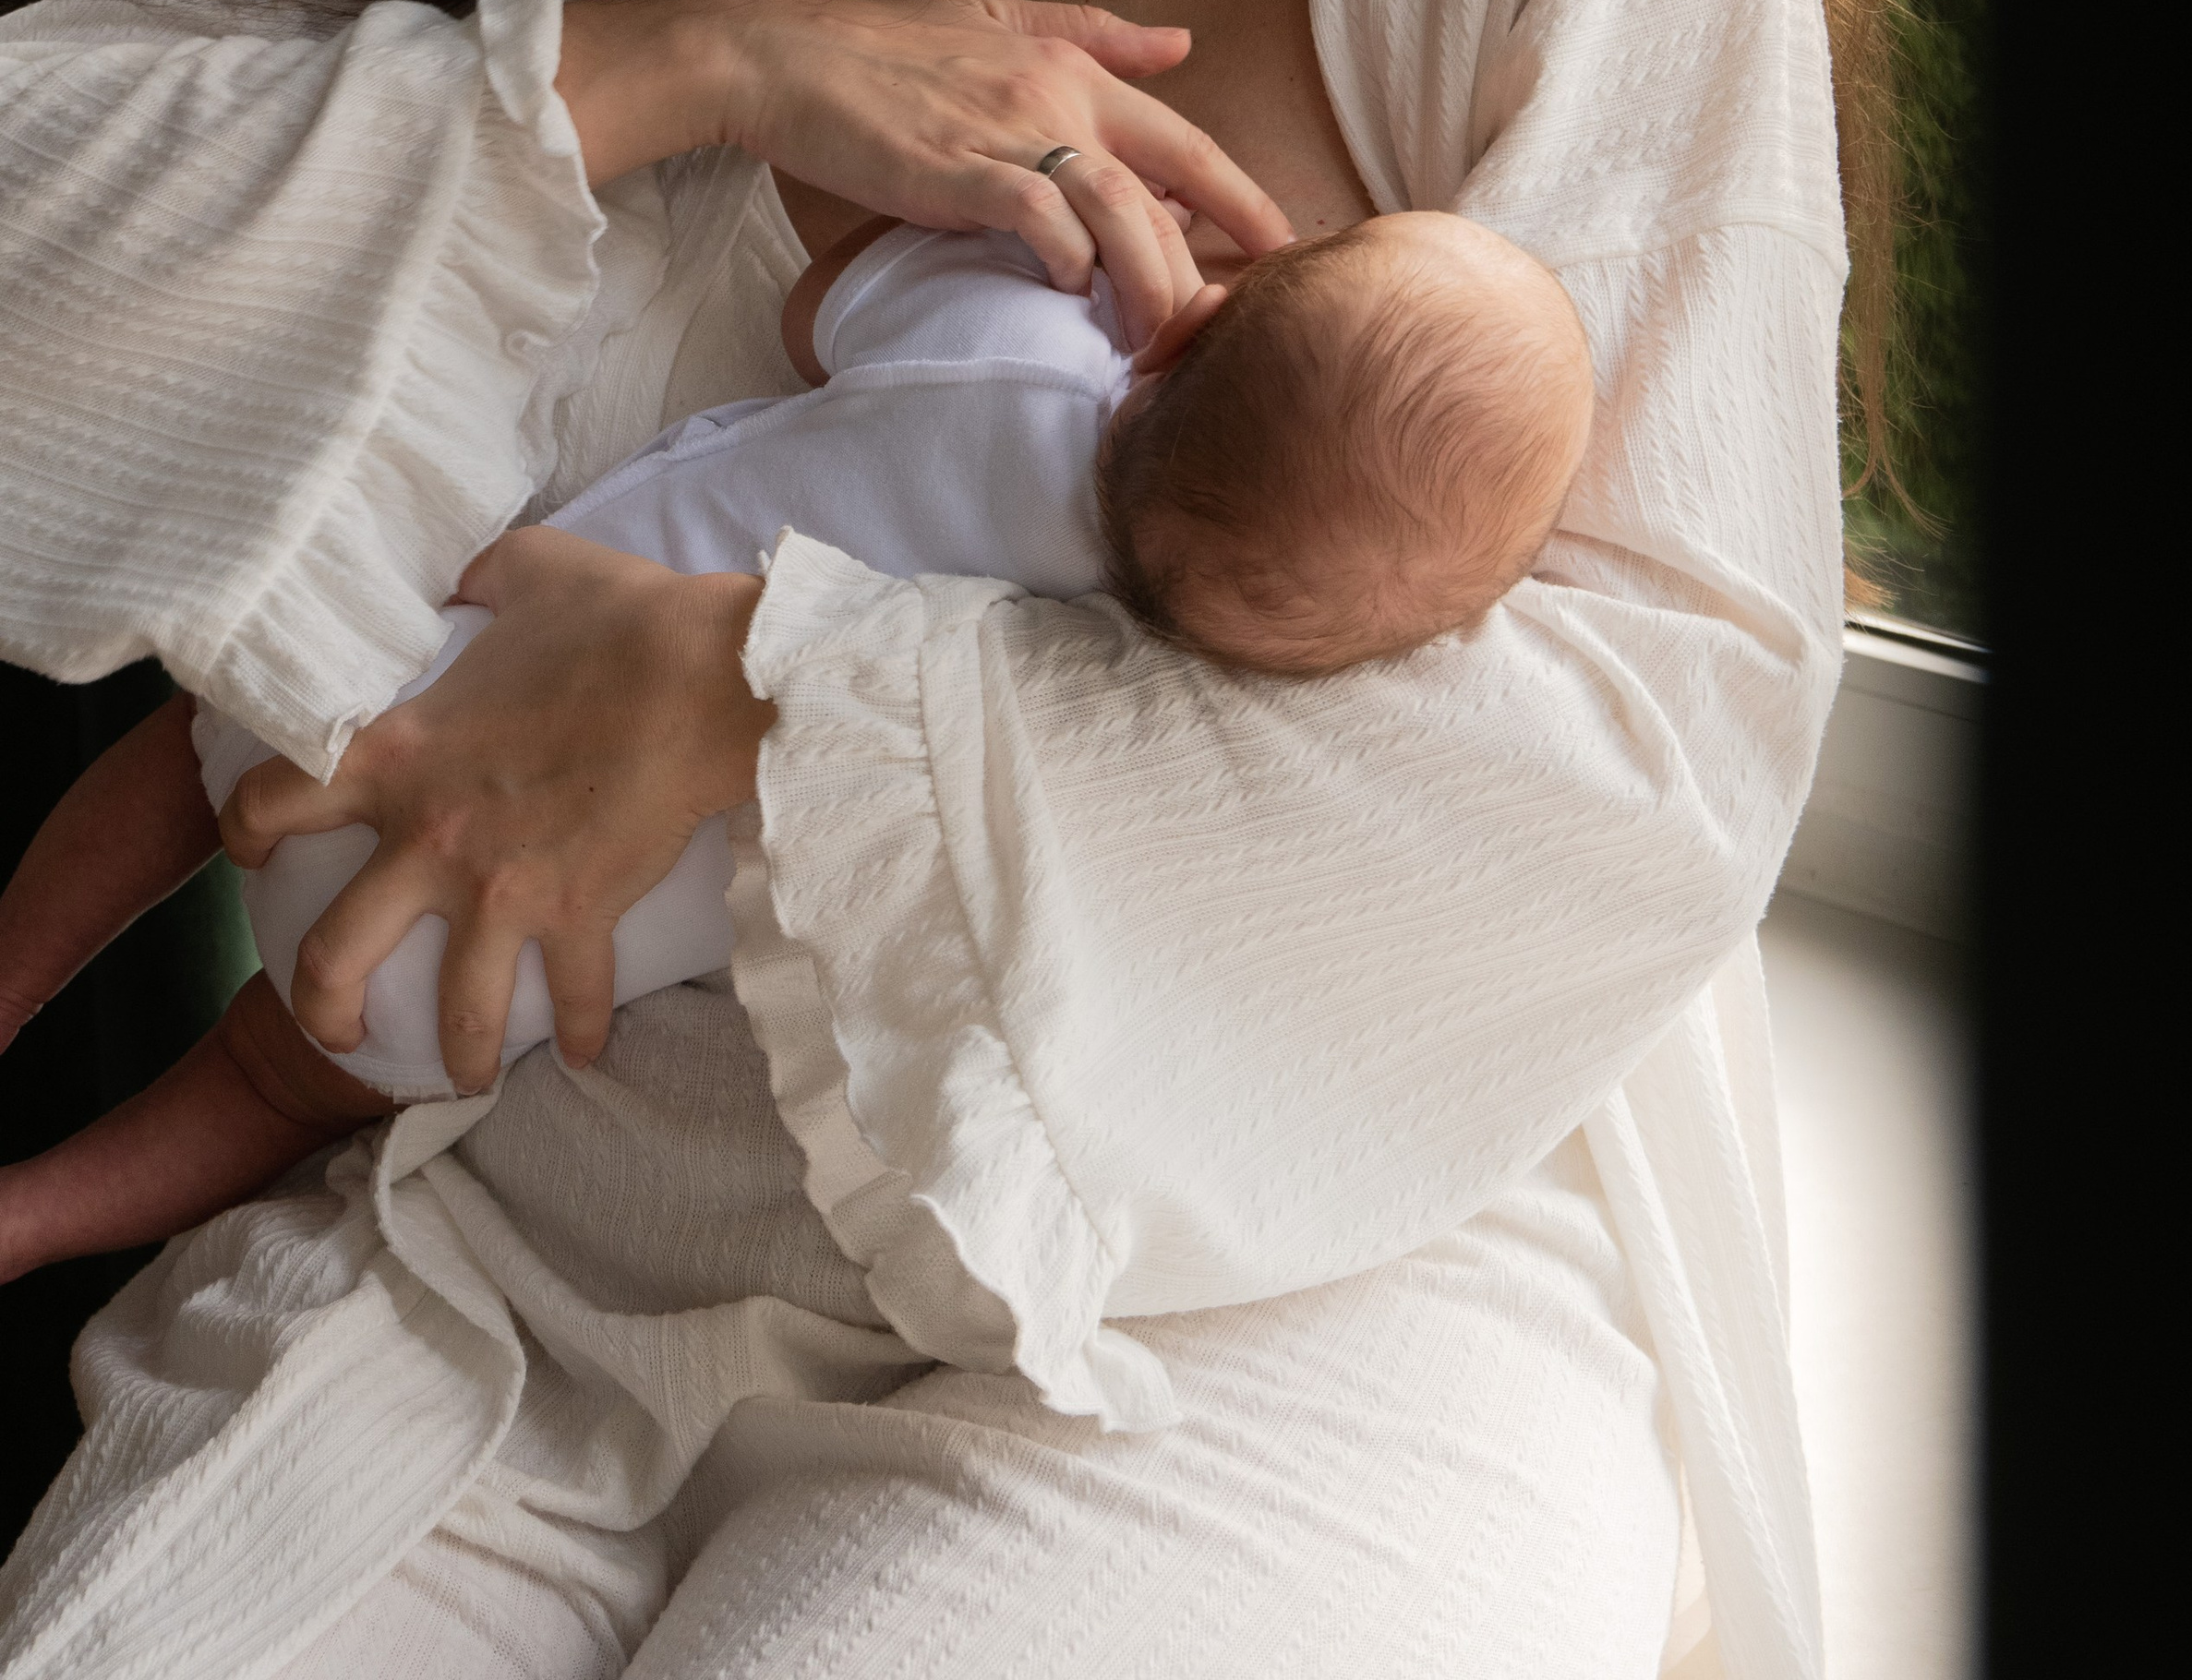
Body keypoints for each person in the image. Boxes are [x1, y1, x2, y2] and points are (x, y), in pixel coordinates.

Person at [0, 0, 1876, 1680]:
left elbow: (1646, 738)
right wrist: (679, 69)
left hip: (1255, 1274)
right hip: (544, 1231)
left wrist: (776, 689)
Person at [0, 204, 1593, 1250]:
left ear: (1185, 332)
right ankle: (26, 1218)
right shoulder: (1087, 693)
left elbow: (824, 292)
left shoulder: (1016, 354)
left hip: (393, 691)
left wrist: (1093, 269)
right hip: (455, 982)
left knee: (170, 764)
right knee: (260, 1091)